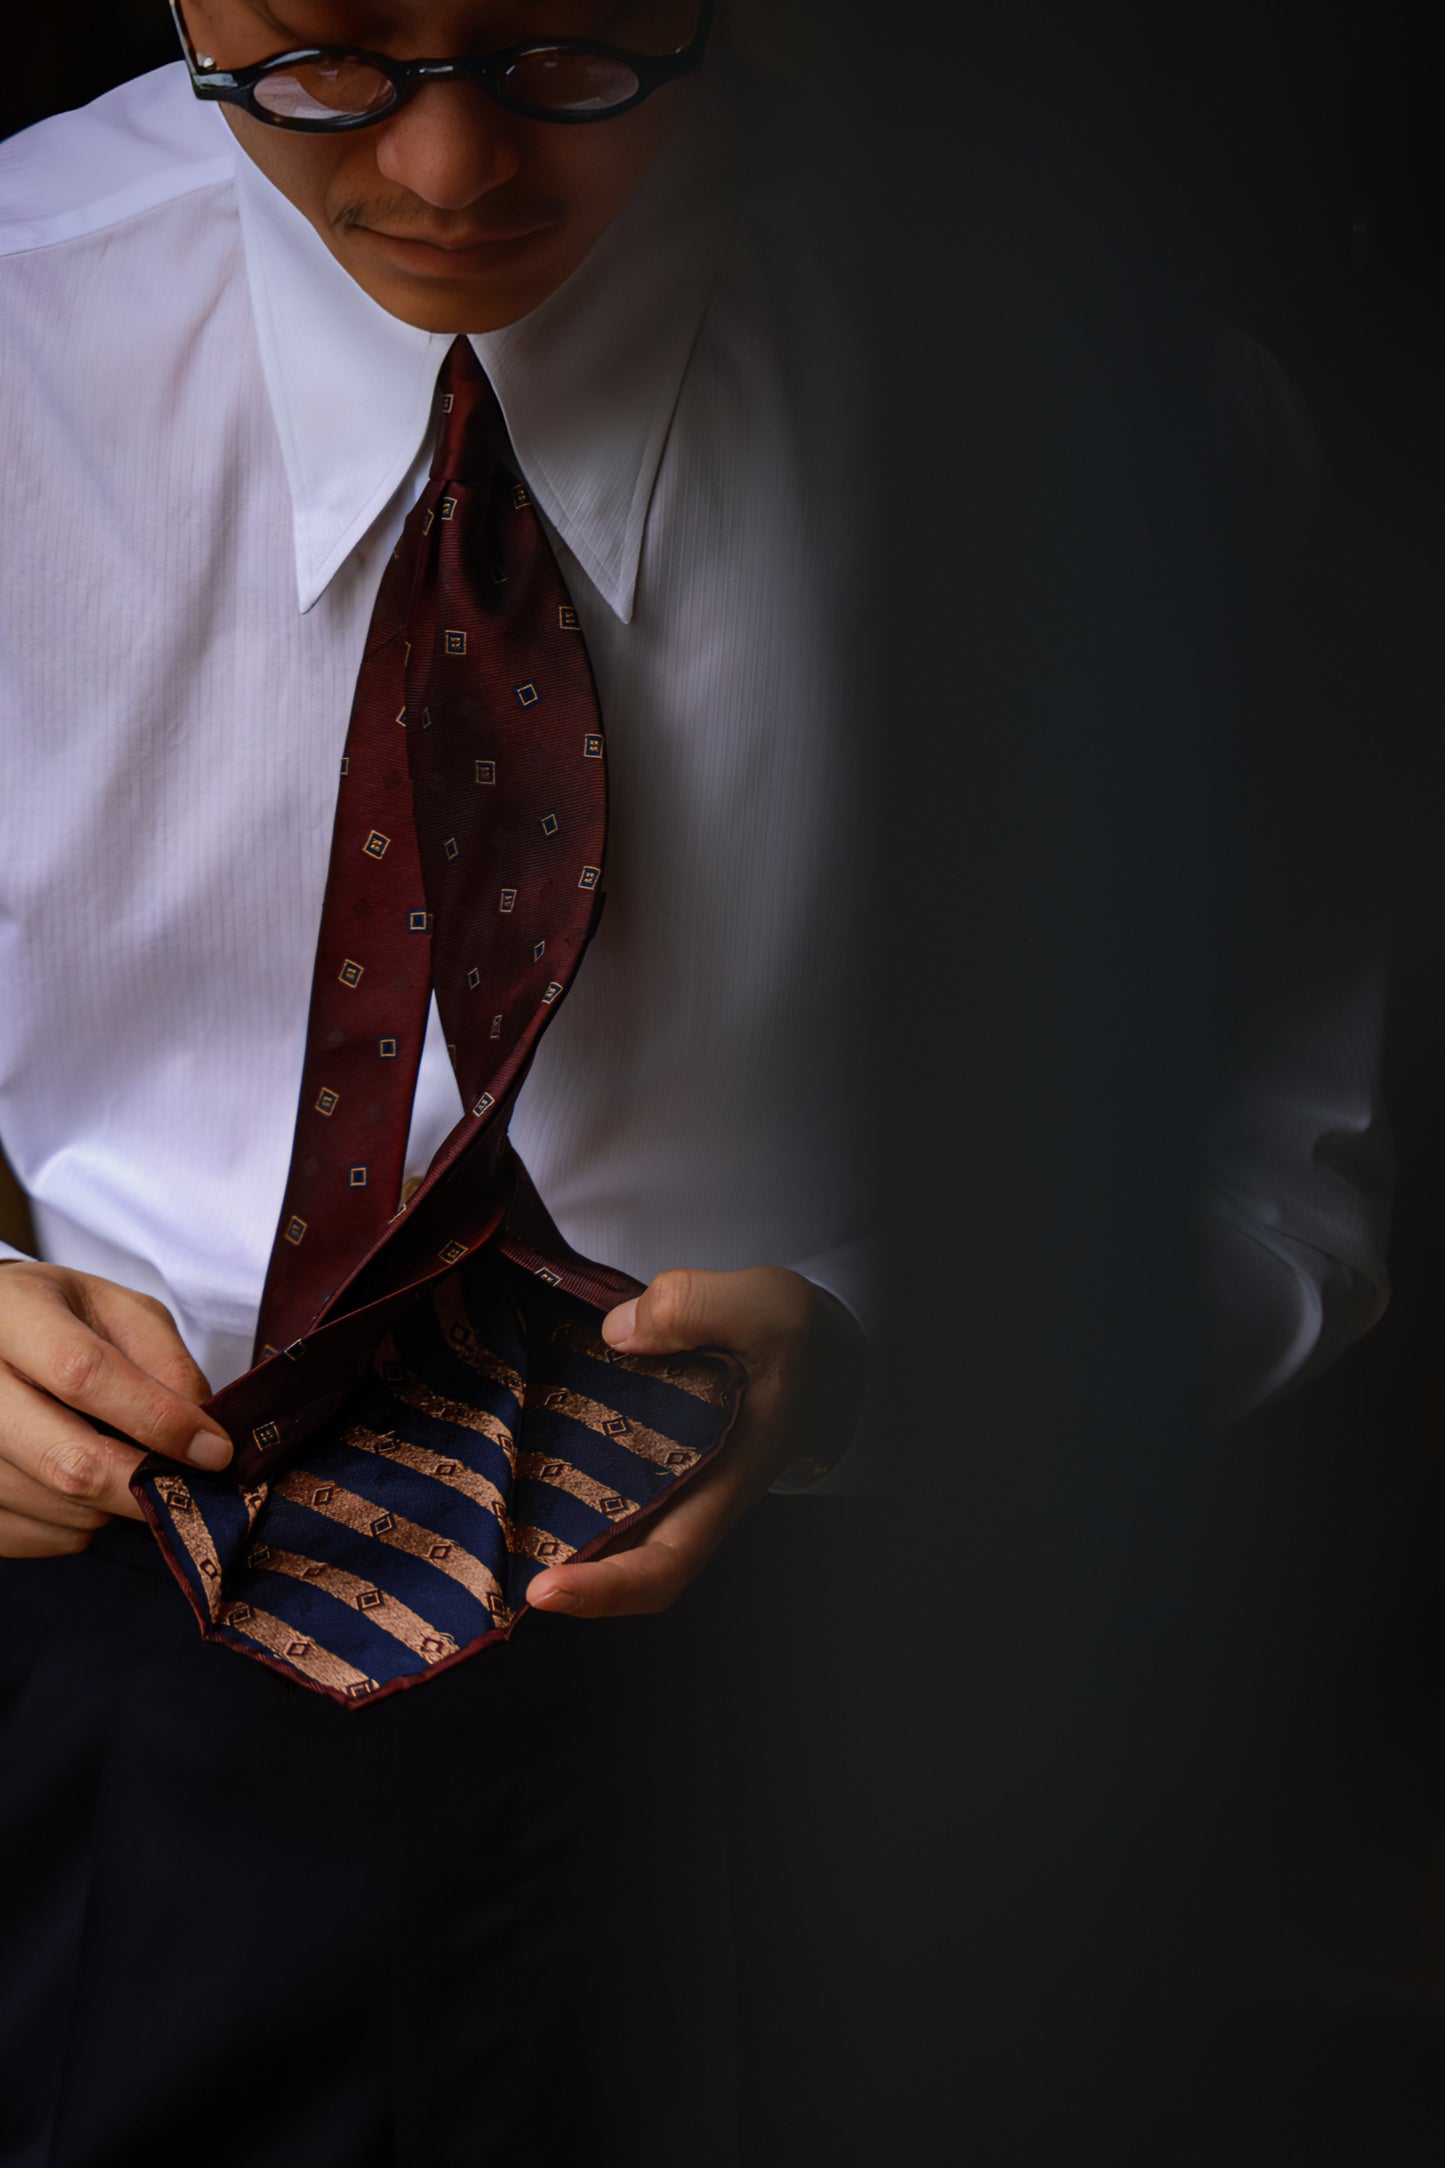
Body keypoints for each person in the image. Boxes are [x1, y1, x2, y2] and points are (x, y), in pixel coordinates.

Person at [0, 5, 868, 2161]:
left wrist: (891, 1360)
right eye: (325, 55)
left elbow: (1280, 1151)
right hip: (97, 1646)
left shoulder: (1109, 407)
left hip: (845, 1685)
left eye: (576, 43)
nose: (458, 167)